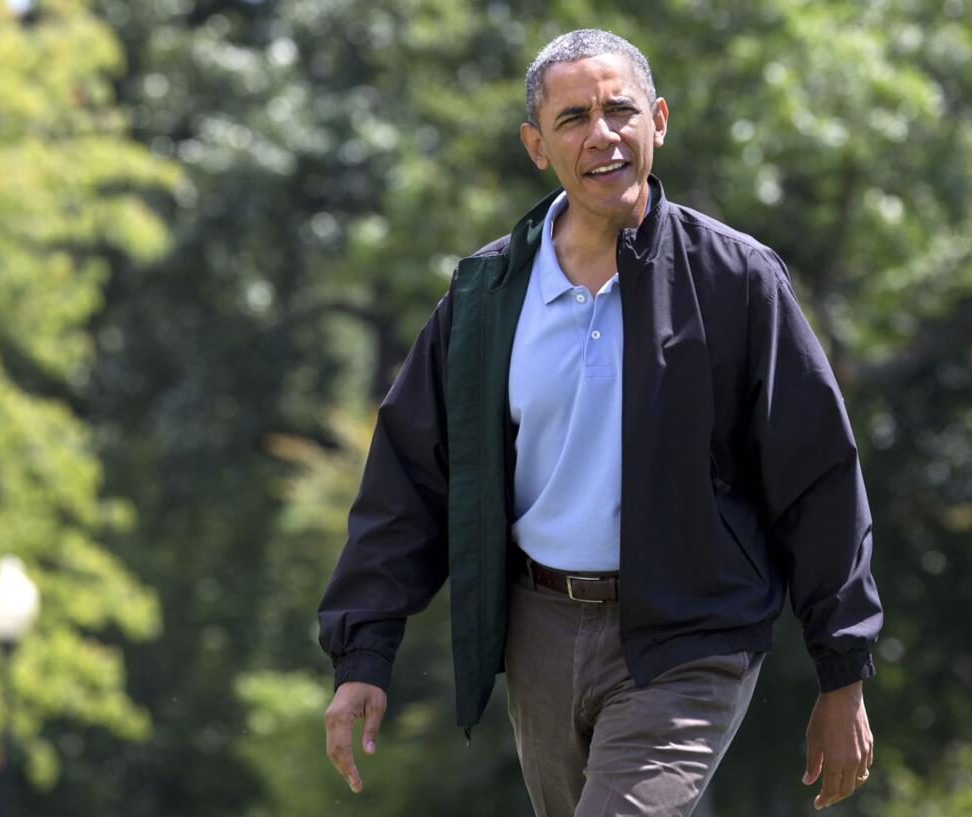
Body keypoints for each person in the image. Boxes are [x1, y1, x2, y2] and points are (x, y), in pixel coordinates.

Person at [319, 28, 882, 817]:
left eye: (620, 109)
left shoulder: (737, 280)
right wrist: (363, 652)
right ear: (536, 145)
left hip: (692, 632)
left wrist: (842, 669)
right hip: (538, 630)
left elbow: (818, 474)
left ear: (657, 119)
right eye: (574, 117)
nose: (602, 134)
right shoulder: (486, 295)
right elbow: (410, 477)